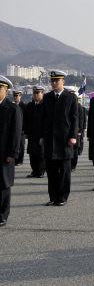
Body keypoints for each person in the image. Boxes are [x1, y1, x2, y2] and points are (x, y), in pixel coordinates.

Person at [40, 70, 78, 206]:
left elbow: (74, 118)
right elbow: (43, 118)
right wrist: (42, 136)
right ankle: (53, 197)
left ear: (63, 82)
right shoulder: (48, 97)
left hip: (64, 140)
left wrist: (73, 136)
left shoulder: (70, 97)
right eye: (52, 81)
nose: (54, 83)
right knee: (51, 170)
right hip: (50, 139)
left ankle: (62, 197)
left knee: (64, 171)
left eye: (57, 80)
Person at [0, 75, 22, 227]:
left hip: (4, 153)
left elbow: (16, 133)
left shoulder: (12, 109)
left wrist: (12, 153)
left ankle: (2, 214)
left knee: (3, 185)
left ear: (6, 90)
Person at [24, 85, 46, 178]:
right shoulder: (30, 105)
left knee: (41, 154)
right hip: (32, 134)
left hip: (41, 134)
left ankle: (40, 171)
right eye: (34, 93)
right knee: (32, 154)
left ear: (42, 94)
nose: (35, 95)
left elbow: (47, 121)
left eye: (37, 93)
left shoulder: (45, 106)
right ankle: (34, 170)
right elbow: (26, 119)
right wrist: (26, 132)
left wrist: (44, 135)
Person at [11, 90, 26, 165]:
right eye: (14, 96)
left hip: (22, 129)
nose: (15, 97)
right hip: (14, 129)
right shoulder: (12, 106)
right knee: (14, 144)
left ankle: (20, 160)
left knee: (21, 145)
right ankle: (15, 160)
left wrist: (25, 129)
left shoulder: (24, 106)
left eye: (17, 96)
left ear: (20, 96)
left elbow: (26, 118)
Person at [72, 97, 87, 171]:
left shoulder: (79, 107)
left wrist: (80, 131)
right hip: (70, 130)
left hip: (77, 130)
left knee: (75, 149)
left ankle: (73, 165)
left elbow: (81, 119)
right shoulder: (70, 105)